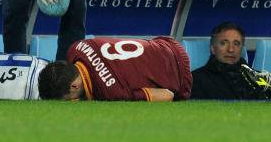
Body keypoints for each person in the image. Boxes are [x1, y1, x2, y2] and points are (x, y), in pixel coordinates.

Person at [38, 36, 192, 101]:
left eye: (69, 100)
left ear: (74, 86)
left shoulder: (111, 92)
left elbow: (167, 95)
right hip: (164, 42)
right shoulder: (76, 47)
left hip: (180, 74)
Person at [191, 22, 269, 100]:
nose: (230, 49)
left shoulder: (259, 80)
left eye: (236, 44)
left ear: (241, 48)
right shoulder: (195, 80)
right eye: (223, 43)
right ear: (213, 48)